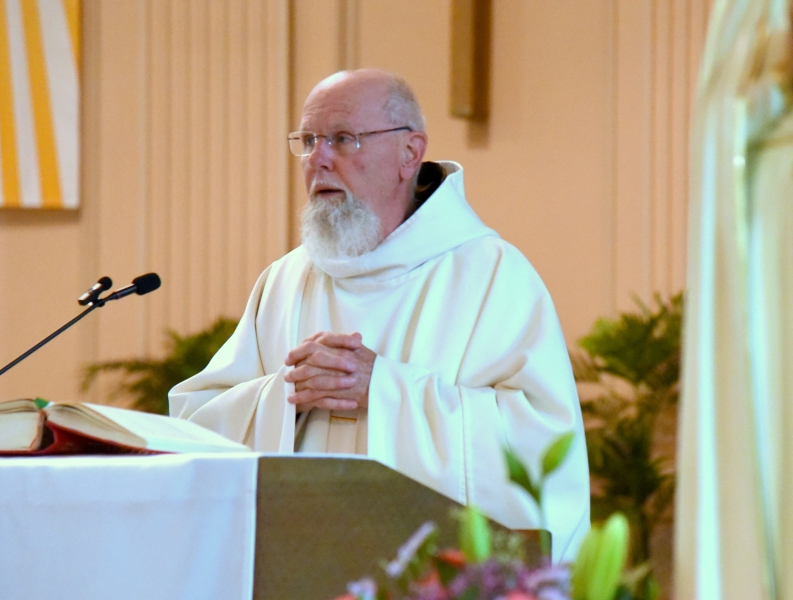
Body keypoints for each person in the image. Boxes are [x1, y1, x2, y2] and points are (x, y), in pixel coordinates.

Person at [169, 69, 590, 562]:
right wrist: (287, 393)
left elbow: (542, 447)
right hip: (294, 566)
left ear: (410, 154)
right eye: (308, 141)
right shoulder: (285, 280)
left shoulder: (492, 274)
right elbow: (195, 428)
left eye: (343, 139)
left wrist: (384, 389)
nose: (318, 159)